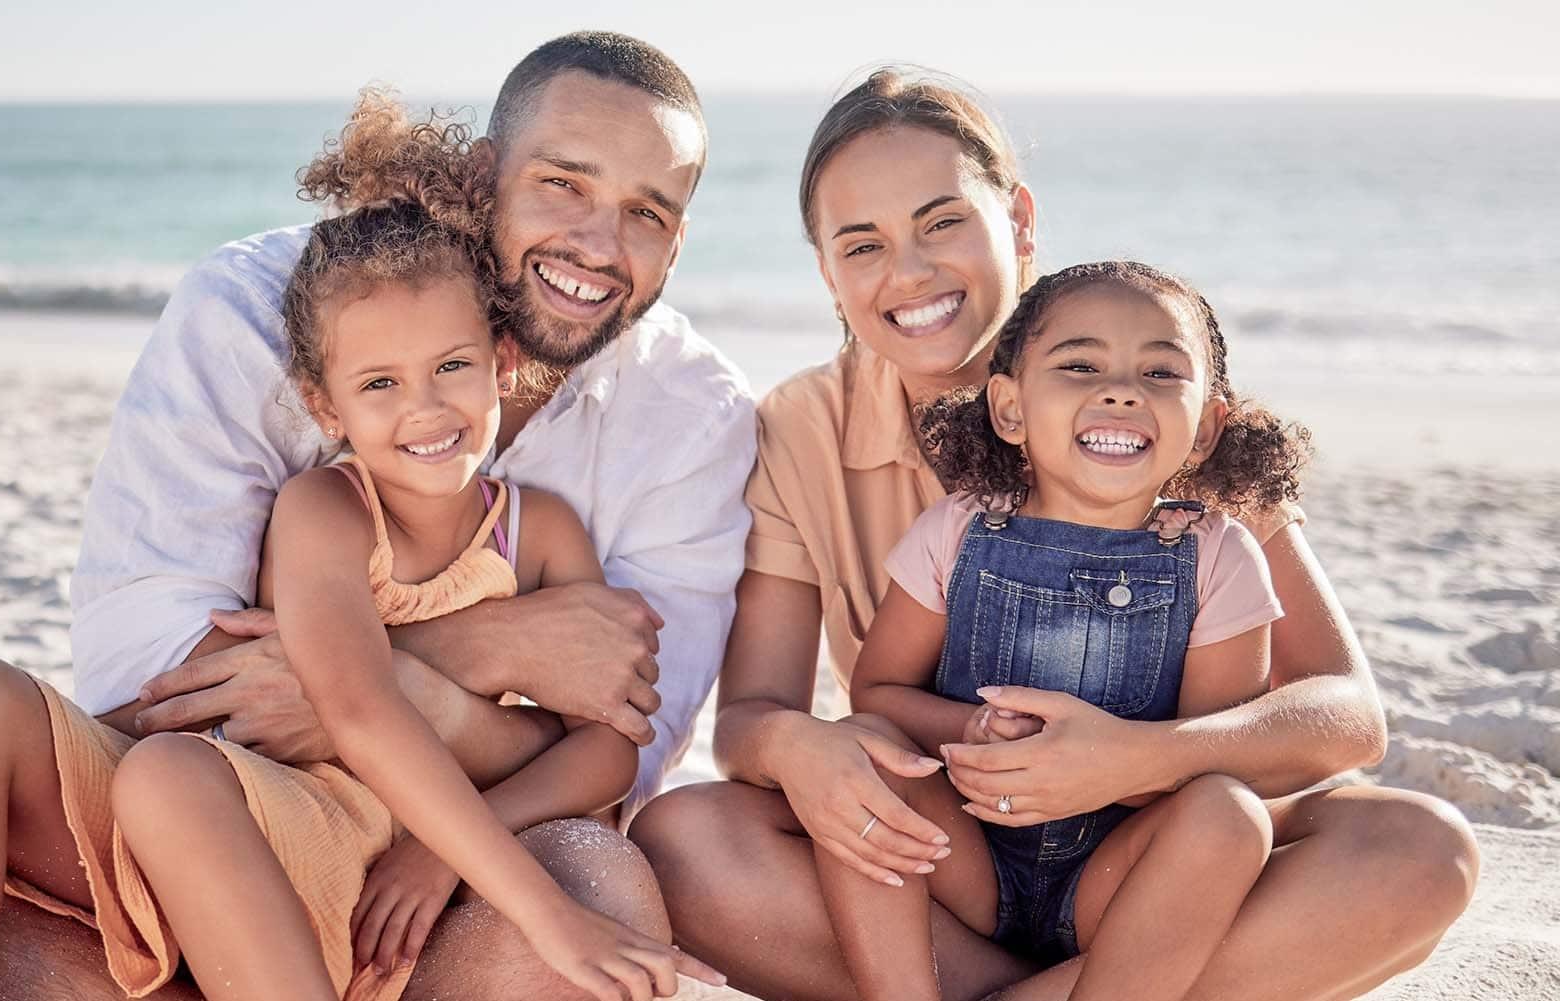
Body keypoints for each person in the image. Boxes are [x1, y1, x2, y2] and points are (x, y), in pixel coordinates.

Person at [0, 31, 755, 1001]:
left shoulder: (686, 423)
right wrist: (473, 655)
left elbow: (622, 755)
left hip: (436, 874)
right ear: (487, 175)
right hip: (207, 818)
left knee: (593, 880)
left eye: (645, 212)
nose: (595, 240)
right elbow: (166, 681)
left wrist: (401, 722)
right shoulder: (270, 321)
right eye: (563, 183)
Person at [630, 67, 1479, 1001]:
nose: (909, 271)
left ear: (1019, 221)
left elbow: (1349, 719)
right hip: (947, 876)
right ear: (827, 272)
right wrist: (810, 750)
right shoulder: (801, 427)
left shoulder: (1146, 389)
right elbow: (752, 715)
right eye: (861, 243)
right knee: (684, 843)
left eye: (943, 221)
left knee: (1422, 852)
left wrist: (1142, 757)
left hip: (1157, 877)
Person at [820, 260, 1314, 1001]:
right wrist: (973, 726)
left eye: (1160, 371)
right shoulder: (956, 531)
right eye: (1080, 364)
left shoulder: (1218, 555)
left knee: (1226, 812)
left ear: (1208, 427)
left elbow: (1210, 755)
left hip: (1115, 881)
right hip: (966, 860)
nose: (1121, 390)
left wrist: (1109, 764)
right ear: (1010, 408)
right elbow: (879, 690)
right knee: (859, 750)